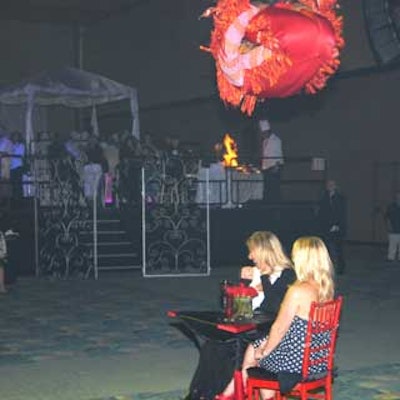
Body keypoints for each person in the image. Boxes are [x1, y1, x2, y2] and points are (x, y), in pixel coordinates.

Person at [189, 231, 296, 400]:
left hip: (275, 331)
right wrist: (244, 284)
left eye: (252, 251)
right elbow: (240, 308)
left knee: (233, 347)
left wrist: (264, 277)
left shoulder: (289, 274)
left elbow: (274, 306)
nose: (250, 256)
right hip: (256, 325)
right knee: (212, 345)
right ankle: (203, 394)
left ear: (263, 251)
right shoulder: (254, 272)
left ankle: (230, 392)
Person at [238, 236, 335, 400]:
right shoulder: (326, 289)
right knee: (256, 345)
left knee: (251, 361)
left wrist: (265, 351)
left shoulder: (297, 291)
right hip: (317, 359)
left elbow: (279, 328)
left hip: (295, 363)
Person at [316, 179, 347, 274]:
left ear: (335, 186)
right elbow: (321, 213)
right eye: (328, 185)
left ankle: (341, 267)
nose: (330, 186)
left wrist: (337, 225)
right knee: (327, 249)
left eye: (332, 185)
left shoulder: (341, 199)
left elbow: (342, 213)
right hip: (326, 227)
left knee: (338, 249)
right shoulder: (323, 198)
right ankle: (328, 267)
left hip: (337, 227)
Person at [258, 119, 284, 204]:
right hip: (266, 168)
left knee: (274, 189)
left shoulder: (276, 140)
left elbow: (279, 154)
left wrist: (277, 166)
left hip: (274, 168)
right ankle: (268, 205)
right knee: (267, 189)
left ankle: (276, 207)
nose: (262, 135)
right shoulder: (265, 141)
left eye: (263, 133)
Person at [385, 192, 400, 261]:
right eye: (398, 196)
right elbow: (387, 217)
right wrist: (388, 227)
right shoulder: (391, 206)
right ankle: (390, 258)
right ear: (395, 197)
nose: (399, 197)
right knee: (392, 246)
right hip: (393, 230)